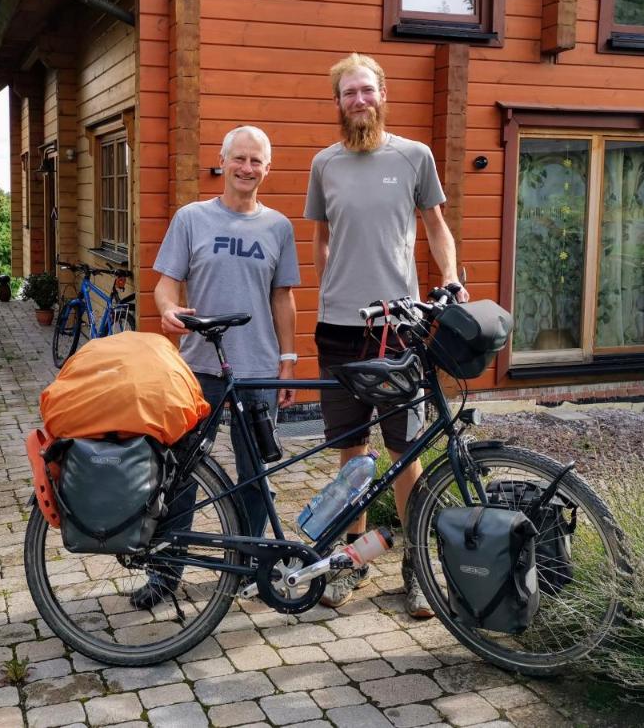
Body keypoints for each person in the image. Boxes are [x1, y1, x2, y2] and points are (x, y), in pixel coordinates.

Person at [304, 52, 469, 617]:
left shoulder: (414, 156)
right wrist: (331, 288)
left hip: (398, 327)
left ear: (382, 94)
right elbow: (321, 239)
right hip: (338, 329)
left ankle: (418, 568)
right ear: (337, 102)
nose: (359, 100)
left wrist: (450, 277)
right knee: (352, 451)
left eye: (366, 90)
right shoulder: (324, 164)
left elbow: (437, 228)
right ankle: (352, 562)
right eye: (348, 92)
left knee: (405, 449)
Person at [132, 124, 300, 609]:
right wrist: (168, 308)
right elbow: (166, 283)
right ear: (222, 162)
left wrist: (288, 361)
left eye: (256, 161)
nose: (247, 168)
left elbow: (282, 297)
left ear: (267, 168)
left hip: (258, 369)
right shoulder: (192, 218)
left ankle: (246, 566)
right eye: (239, 159)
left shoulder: (279, 227)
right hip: (199, 368)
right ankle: (165, 572)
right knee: (180, 473)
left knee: (254, 474)